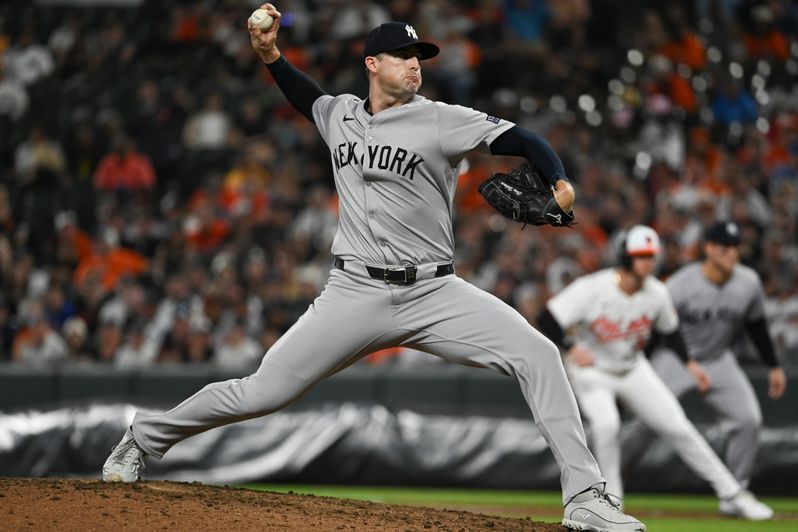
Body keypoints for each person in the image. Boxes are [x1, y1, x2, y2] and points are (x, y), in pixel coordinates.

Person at [103, 5, 645, 531]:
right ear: (372, 64)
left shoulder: (439, 120)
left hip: (435, 293)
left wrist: (557, 178)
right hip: (353, 291)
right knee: (261, 392)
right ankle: (144, 437)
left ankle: (584, 498)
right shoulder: (339, 114)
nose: (414, 64)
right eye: (402, 55)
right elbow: (305, 96)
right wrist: (270, 54)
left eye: (419, 56)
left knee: (539, 353)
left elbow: (525, 140)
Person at [537, 225, 774, 520]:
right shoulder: (594, 287)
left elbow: (671, 331)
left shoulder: (658, 292)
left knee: (679, 427)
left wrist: (690, 364)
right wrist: (571, 348)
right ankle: (613, 503)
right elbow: (547, 316)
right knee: (607, 426)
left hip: (633, 368)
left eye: (652, 256)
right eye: (642, 256)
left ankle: (734, 494)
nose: (649, 262)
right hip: (592, 370)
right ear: (626, 257)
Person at [622, 221, 787, 516]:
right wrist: (638, 368)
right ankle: (605, 485)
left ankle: (735, 493)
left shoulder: (748, 282)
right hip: (675, 357)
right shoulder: (681, 284)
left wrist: (773, 365)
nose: (731, 255)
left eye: (736, 248)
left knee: (749, 420)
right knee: (645, 420)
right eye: (725, 248)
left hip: (718, 358)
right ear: (708, 249)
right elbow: (658, 330)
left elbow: (756, 326)